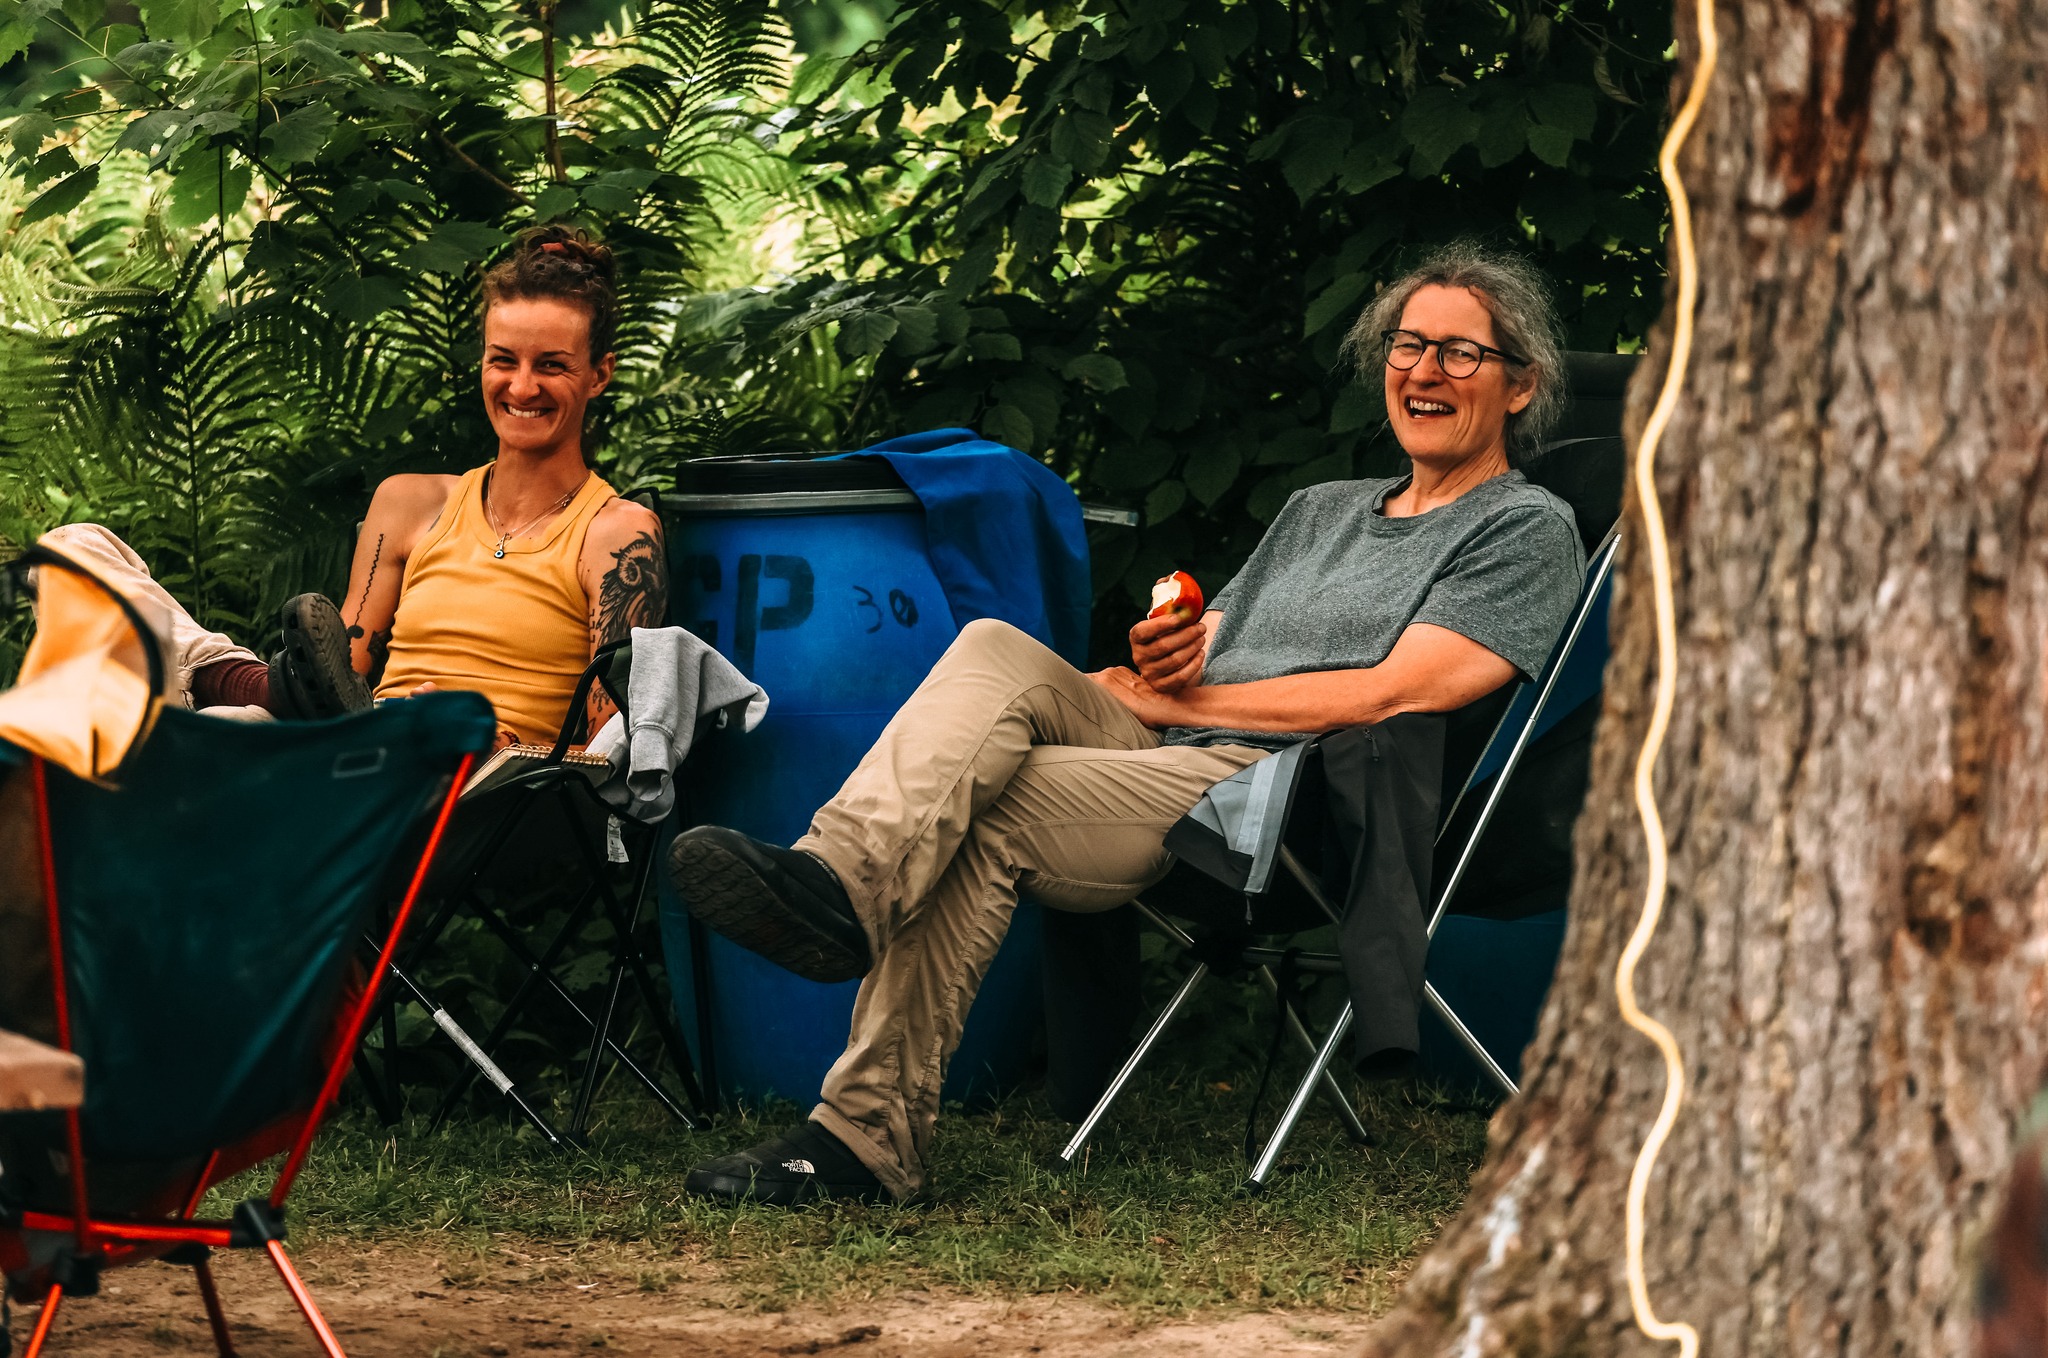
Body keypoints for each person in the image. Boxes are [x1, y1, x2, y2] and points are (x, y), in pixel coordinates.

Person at [668, 241, 1587, 1206]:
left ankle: (860, 1137)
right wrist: (1168, 657)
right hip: (1175, 743)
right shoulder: (1322, 510)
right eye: (1407, 347)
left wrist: (1167, 701)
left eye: (1460, 354)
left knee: (991, 803)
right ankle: (839, 878)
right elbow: (1213, 647)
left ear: (1519, 388)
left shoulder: (1522, 528)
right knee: (991, 645)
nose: (1424, 373)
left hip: (1283, 792)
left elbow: (1392, 693)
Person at [36, 225, 669, 750]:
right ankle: (244, 685)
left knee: (183, 739)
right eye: (503, 359)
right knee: (72, 550)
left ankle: (221, 685)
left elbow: (603, 749)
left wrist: (490, 741)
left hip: (481, 782)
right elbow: (340, 673)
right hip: (361, 747)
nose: (521, 387)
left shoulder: (614, 534)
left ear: (598, 375)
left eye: (551, 365)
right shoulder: (412, 503)